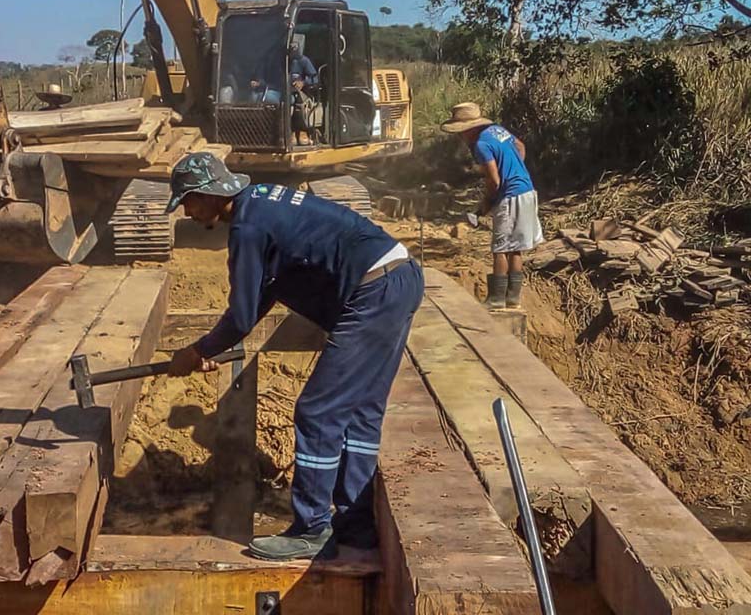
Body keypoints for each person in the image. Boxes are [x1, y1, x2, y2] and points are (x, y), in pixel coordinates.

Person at [164, 152, 424, 561]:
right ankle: (356, 527)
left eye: (189, 202)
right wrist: (211, 348)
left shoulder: (247, 228)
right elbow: (267, 291)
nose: (189, 212)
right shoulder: (263, 202)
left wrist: (196, 351)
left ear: (209, 194)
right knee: (360, 410)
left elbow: (244, 315)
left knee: (317, 412)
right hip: (398, 278)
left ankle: (311, 529)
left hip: (373, 291)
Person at [441, 102, 544, 309]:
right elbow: (520, 146)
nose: (460, 137)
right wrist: (514, 168)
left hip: (510, 196)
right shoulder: (497, 130)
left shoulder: (481, 145)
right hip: (527, 190)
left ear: (467, 130)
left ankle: (497, 298)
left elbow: (494, 181)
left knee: (500, 248)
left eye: (460, 133)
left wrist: (485, 205)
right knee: (516, 248)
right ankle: (513, 297)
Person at [288, 41, 317, 146]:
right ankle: (286, 132)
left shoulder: (304, 61)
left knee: (297, 104)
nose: (292, 51)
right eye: (290, 49)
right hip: (284, 91)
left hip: (301, 92)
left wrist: (303, 82)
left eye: (294, 48)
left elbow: (315, 78)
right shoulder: (284, 61)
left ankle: (301, 131)